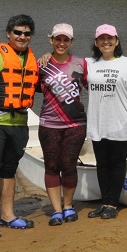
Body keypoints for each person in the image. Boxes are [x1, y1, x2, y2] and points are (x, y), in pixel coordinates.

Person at [0, 15, 39, 238]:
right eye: (17, 32)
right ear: (8, 33)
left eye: (27, 33)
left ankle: (7, 215)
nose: (22, 37)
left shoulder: (33, 59)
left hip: (20, 122)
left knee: (9, 170)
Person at [85, 24, 127, 218]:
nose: (106, 42)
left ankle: (112, 204)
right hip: (97, 123)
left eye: (110, 38)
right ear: (96, 43)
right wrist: (47, 56)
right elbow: (63, 63)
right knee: (102, 164)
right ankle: (104, 202)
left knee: (117, 164)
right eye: (101, 39)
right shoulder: (88, 63)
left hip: (121, 123)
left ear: (117, 41)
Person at [37, 24, 88, 225]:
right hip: (49, 123)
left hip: (76, 124)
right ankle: (56, 210)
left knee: (68, 165)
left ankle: (68, 206)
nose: (61, 43)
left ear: (71, 42)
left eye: (66, 40)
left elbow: (97, 85)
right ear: (51, 40)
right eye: (58, 39)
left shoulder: (81, 63)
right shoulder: (42, 65)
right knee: (51, 166)